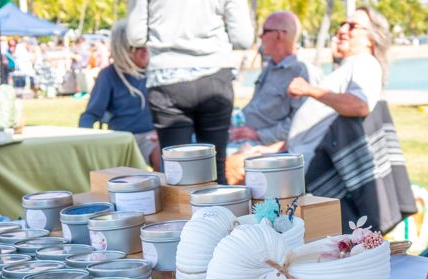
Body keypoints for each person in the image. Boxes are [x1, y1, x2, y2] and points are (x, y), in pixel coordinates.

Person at [127, 0, 254, 183]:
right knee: (216, 169)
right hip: (214, 75)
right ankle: (222, 212)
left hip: (167, 78)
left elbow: (135, 36)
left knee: (177, 174)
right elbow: (242, 38)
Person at [285, 6, 390, 169]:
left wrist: (308, 89)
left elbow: (360, 104)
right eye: (343, 24)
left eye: (352, 26)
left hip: (311, 168)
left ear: (371, 39)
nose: (341, 30)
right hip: (297, 158)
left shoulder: (366, 63)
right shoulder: (351, 64)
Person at [79, 21, 160, 170]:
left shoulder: (155, 72)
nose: (145, 51)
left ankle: (164, 192)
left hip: (151, 137)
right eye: (137, 48)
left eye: (146, 46)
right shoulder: (109, 75)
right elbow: (90, 115)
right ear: (123, 49)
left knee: (164, 156)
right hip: (122, 138)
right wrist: (86, 142)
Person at [231, 11, 311, 146]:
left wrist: (258, 135)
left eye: (265, 31)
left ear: (279, 35)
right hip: (239, 135)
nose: (260, 36)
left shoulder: (302, 72)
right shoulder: (271, 66)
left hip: (260, 146)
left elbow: (301, 123)